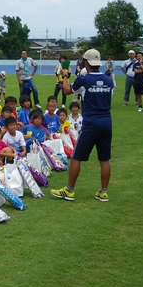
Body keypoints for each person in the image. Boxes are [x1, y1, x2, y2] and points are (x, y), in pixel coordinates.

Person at [51, 49, 113, 202]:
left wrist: (65, 75)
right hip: (106, 122)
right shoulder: (109, 80)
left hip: (91, 123)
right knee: (104, 159)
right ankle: (103, 192)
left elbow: (66, 91)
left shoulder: (84, 79)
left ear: (86, 62)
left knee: (76, 157)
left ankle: (69, 190)